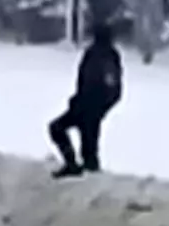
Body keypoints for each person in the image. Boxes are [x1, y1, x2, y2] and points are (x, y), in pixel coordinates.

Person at [49, 22, 123, 177]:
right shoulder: (101, 54)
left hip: (90, 107)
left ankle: (74, 166)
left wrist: (98, 105)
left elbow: (107, 85)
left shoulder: (105, 56)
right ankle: (76, 167)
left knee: (61, 130)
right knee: (85, 145)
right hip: (86, 105)